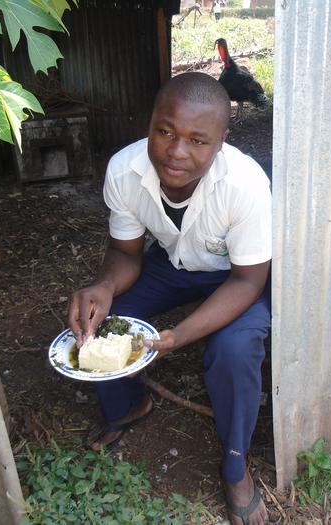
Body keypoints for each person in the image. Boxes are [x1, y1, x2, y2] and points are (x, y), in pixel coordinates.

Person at [67, 72, 271, 525]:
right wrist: (103, 286)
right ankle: (129, 405)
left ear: (221, 141)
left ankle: (236, 466)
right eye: (165, 131)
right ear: (151, 123)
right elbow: (125, 254)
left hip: (233, 276)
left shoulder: (245, 185)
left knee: (234, 350)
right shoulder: (125, 170)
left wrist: (180, 335)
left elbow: (248, 282)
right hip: (173, 264)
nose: (176, 152)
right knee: (106, 318)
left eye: (198, 140)